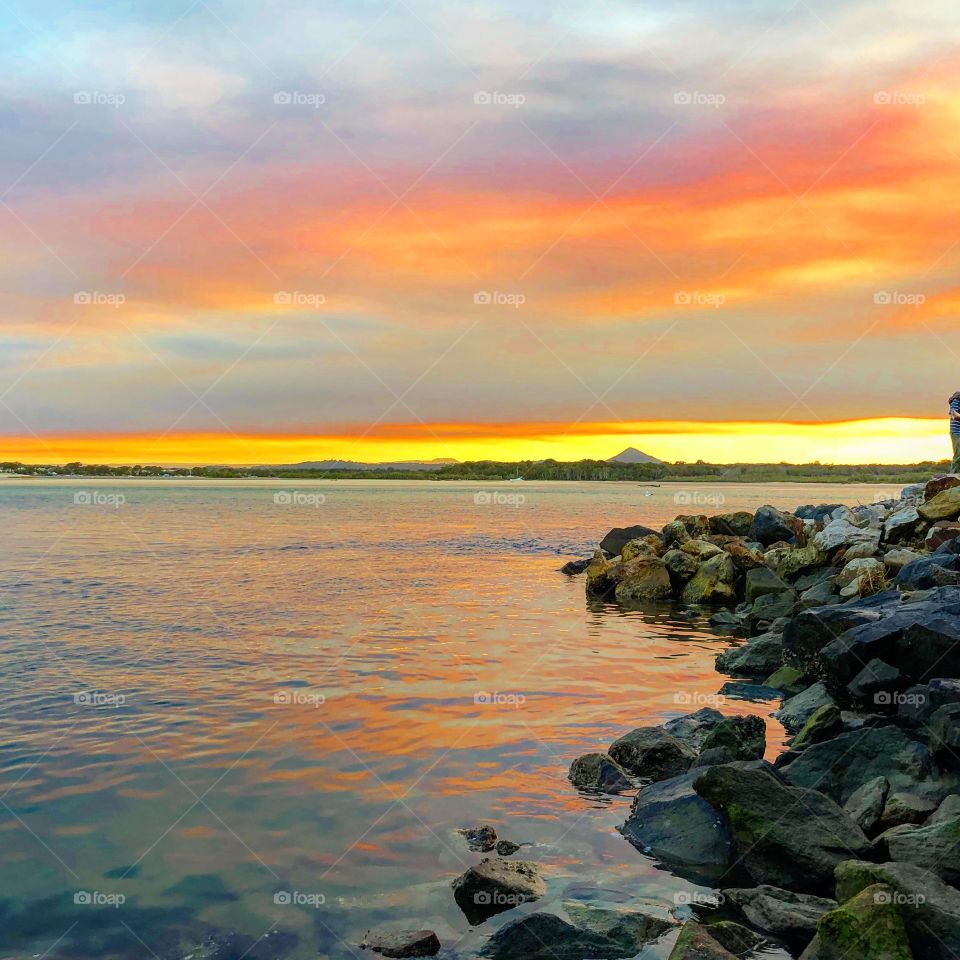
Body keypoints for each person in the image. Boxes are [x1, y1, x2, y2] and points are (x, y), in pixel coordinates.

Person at [951, 391, 960, 473]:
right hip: (956, 431)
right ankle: (953, 475)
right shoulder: (956, 400)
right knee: (958, 455)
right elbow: (953, 413)